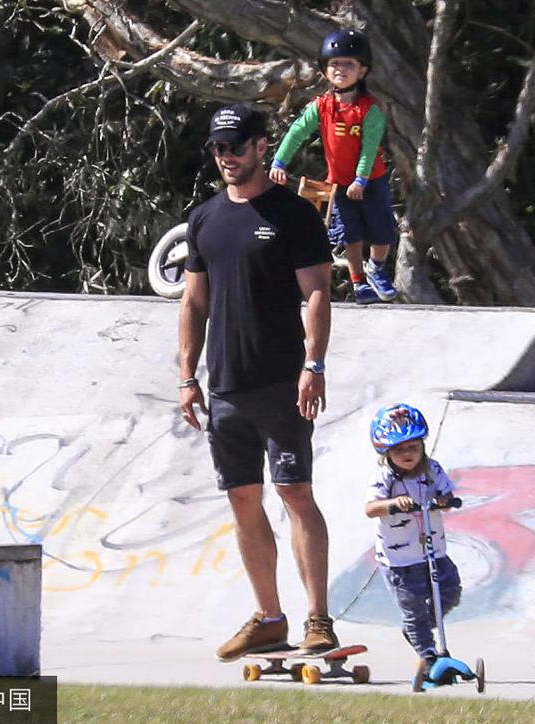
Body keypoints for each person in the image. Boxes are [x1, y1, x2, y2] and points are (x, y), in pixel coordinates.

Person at [178, 103, 338, 661]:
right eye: (220, 148)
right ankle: (269, 617)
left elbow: (317, 292)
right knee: (243, 499)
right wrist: (186, 376)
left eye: (237, 146)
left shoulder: (293, 214)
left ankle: (319, 619)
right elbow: (194, 301)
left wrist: (313, 364)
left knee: (296, 493)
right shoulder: (204, 219)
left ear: (261, 146)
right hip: (223, 386)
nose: (227, 157)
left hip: (281, 383)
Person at [269, 28, 398, 306]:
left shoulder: (369, 109)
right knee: (350, 235)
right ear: (325, 70)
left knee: (381, 230)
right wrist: (279, 161)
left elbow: (369, 148)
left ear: (362, 71)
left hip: (370, 181)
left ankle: (376, 267)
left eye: (349, 64)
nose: (341, 69)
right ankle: (358, 282)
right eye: (335, 63)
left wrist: (361, 180)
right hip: (339, 183)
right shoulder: (322, 106)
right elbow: (296, 132)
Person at [364, 403, 463, 673]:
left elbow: (449, 496)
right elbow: (371, 508)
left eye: (413, 447)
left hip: (434, 552)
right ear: (386, 452)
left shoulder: (433, 469)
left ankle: (418, 630)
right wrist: (394, 503)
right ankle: (429, 655)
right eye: (399, 450)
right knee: (414, 606)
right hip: (400, 560)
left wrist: (444, 501)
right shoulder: (383, 477)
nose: (407, 454)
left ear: (422, 446)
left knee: (450, 592)